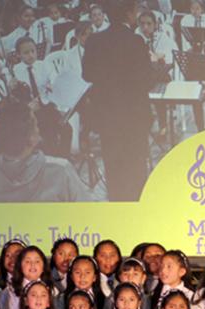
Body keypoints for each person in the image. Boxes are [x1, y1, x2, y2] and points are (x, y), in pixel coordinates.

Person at [82, 0, 155, 200]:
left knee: (113, 168)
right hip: (133, 117)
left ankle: (117, 209)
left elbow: (87, 74)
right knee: (135, 169)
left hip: (107, 117)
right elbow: (147, 81)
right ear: (129, 14)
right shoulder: (136, 41)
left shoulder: (94, 41)